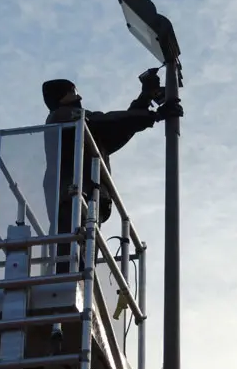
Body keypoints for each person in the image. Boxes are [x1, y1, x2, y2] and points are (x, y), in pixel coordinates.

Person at [42, 78, 182, 272]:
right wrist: (153, 115)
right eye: (72, 91)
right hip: (72, 197)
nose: (77, 95)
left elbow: (118, 129)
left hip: (87, 198)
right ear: (61, 96)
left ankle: (77, 278)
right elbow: (107, 122)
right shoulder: (63, 117)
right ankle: (68, 277)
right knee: (70, 255)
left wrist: (144, 100)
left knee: (83, 255)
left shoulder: (84, 128)